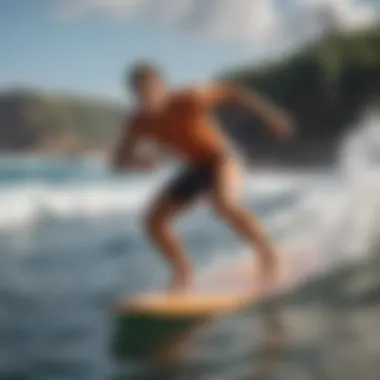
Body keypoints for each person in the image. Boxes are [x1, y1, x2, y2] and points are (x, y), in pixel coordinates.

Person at [112, 62, 294, 293]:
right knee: (154, 222)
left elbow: (233, 92)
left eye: (149, 90)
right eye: (139, 93)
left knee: (224, 203)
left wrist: (271, 116)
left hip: (222, 159)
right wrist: (139, 162)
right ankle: (184, 272)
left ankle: (268, 255)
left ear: (162, 88)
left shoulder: (189, 98)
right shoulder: (139, 122)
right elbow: (118, 161)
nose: (146, 98)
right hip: (195, 167)